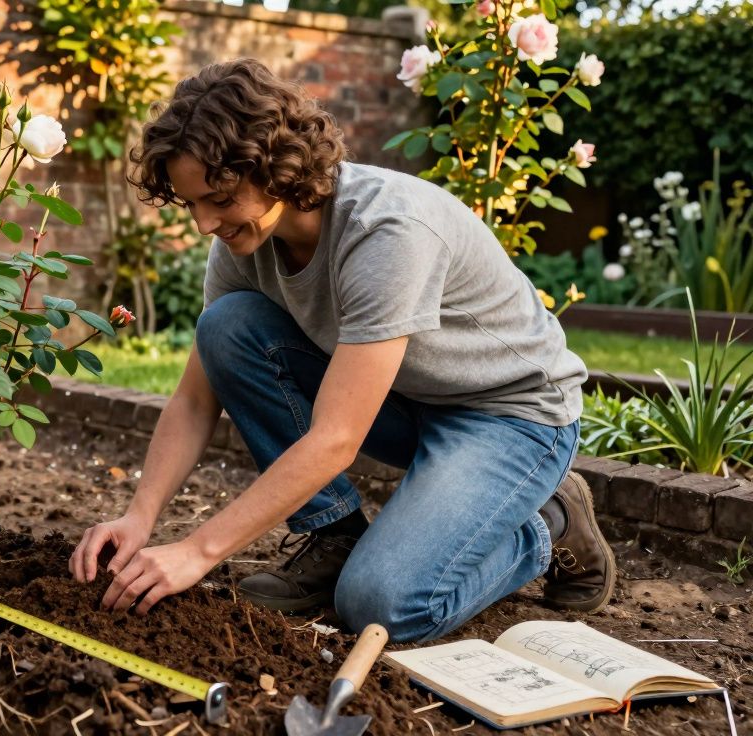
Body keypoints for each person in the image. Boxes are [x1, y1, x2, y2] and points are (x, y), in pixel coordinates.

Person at [67, 58, 615, 643]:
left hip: (510, 417)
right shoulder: (244, 240)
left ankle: (546, 522)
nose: (204, 223)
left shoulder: (386, 231)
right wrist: (140, 517)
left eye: (218, 200)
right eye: (192, 203)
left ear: (272, 166)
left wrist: (198, 551)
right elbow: (195, 401)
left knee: (382, 604)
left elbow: (336, 438)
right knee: (226, 327)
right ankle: (335, 534)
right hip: (407, 397)